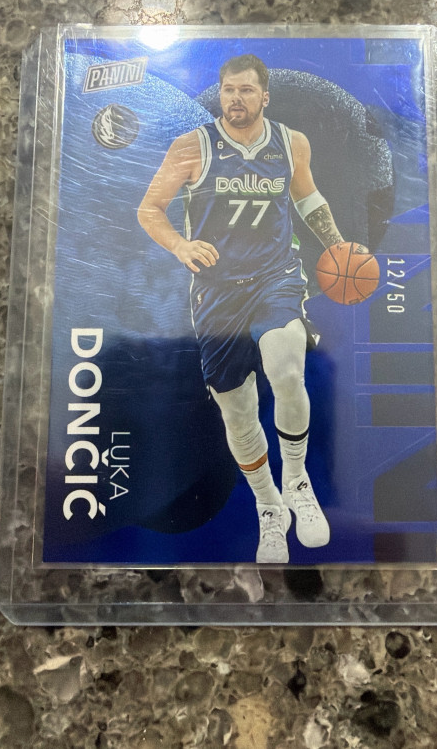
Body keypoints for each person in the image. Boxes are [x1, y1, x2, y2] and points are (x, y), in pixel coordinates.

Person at [138, 53, 347, 564]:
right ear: (221, 93)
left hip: (276, 277)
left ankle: (297, 481)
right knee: (237, 408)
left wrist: (339, 246)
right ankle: (269, 506)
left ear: (264, 96)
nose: (236, 98)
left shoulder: (291, 143)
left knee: (287, 368)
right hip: (216, 291)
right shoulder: (191, 147)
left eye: (246, 90)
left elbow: (308, 199)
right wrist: (181, 246)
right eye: (229, 90)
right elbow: (149, 208)